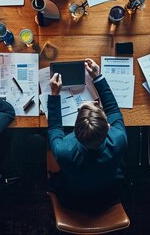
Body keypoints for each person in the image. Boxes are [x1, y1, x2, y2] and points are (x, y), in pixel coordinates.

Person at [47, 58, 127, 212]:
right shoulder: (119, 140)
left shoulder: (64, 151)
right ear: (108, 127)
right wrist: (98, 78)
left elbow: (54, 129)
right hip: (108, 195)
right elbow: (114, 111)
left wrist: (54, 94)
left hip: (74, 199)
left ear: (74, 133)